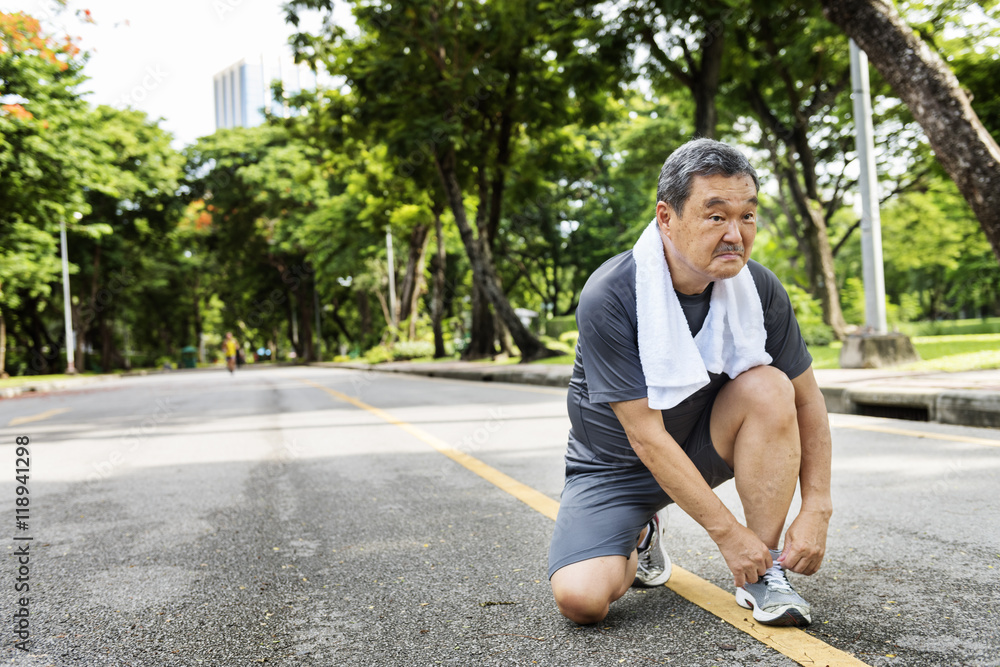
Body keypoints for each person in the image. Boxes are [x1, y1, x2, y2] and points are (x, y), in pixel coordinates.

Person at [548, 138, 832, 628]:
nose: (735, 234)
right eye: (715, 216)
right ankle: (641, 534)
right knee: (581, 601)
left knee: (770, 386)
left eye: (747, 216)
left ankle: (761, 570)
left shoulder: (759, 288)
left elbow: (807, 402)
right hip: (616, 468)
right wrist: (726, 533)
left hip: (702, 445)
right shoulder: (611, 294)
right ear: (666, 217)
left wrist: (818, 507)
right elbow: (645, 435)